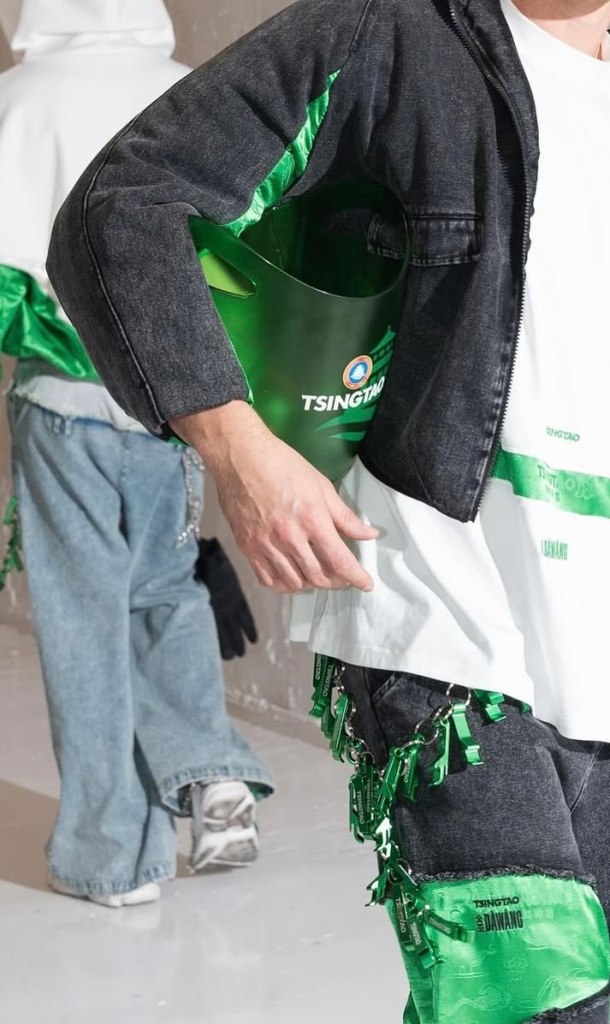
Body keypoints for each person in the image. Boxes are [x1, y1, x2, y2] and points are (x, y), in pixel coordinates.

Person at [47, 0, 610, 1015]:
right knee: (529, 998)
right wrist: (237, 444)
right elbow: (123, 204)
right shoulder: (391, 38)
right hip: (441, 613)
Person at [0, 0, 274, 909]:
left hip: (62, 404)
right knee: (166, 587)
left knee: (84, 619)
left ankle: (114, 858)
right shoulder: (186, 93)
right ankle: (211, 771)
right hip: (173, 402)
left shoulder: (18, 101)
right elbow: (240, 249)